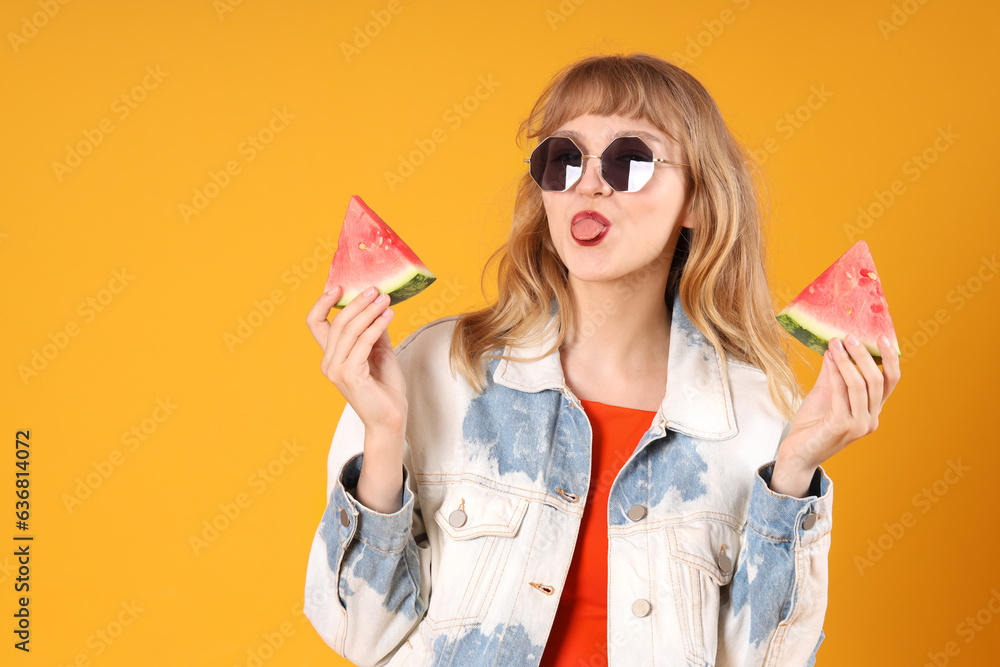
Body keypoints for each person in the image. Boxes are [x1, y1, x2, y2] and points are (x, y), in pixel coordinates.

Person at [303, 53, 901, 667]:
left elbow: (769, 661)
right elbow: (361, 634)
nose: (588, 183)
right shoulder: (440, 368)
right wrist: (381, 433)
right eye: (562, 159)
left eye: (630, 161)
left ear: (696, 200)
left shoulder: (755, 416)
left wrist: (796, 469)